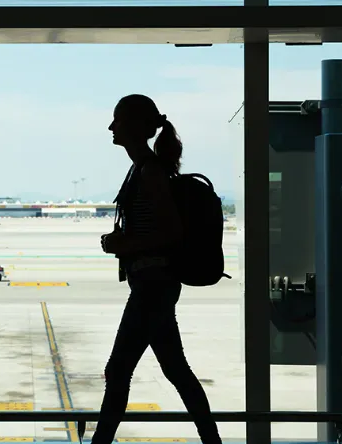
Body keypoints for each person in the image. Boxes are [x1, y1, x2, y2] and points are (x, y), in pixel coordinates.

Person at [92, 94, 222, 444]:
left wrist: (123, 245)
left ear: (134, 126)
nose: (111, 127)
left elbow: (170, 233)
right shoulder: (141, 169)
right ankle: (213, 441)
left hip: (153, 284)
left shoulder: (149, 171)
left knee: (118, 371)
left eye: (117, 120)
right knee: (175, 370)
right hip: (152, 284)